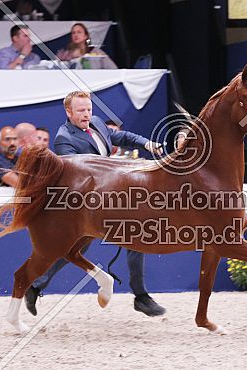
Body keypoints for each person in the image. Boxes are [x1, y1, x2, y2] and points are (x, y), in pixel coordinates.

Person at [25, 90, 165, 317]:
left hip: (112, 195)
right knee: (73, 249)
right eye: (81, 110)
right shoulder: (64, 139)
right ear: (68, 112)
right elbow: (75, 175)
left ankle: (141, 296)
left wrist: (147, 144)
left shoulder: (97, 123)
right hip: (87, 204)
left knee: (134, 235)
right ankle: (36, 285)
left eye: (89, 109)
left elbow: (120, 137)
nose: (86, 114)